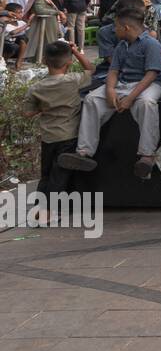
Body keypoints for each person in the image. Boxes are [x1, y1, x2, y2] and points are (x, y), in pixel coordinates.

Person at [57, 7, 161, 180]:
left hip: (150, 83)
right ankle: (84, 153)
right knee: (92, 99)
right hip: (124, 82)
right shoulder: (122, 46)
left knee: (146, 103)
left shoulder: (151, 44)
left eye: (116, 26)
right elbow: (113, 71)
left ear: (126, 28)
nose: (114, 30)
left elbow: (151, 74)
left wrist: (130, 98)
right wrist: (109, 90)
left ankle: (147, 155)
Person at [25, 40, 94, 221]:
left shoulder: (36, 88)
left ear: (45, 61)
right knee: (59, 175)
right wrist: (76, 52)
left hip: (48, 137)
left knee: (46, 174)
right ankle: (47, 214)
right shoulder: (73, 80)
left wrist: (43, 109)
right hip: (68, 136)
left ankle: (39, 210)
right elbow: (91, 70)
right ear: (69, 62)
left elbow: (27, 112)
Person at [15, 0, 60, 66]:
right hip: (45, 24)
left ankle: (45, 62)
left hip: (47, 24)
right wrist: (57, 12)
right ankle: (44, 63)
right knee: (45, 44)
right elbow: (40, 10)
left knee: (46, 44)